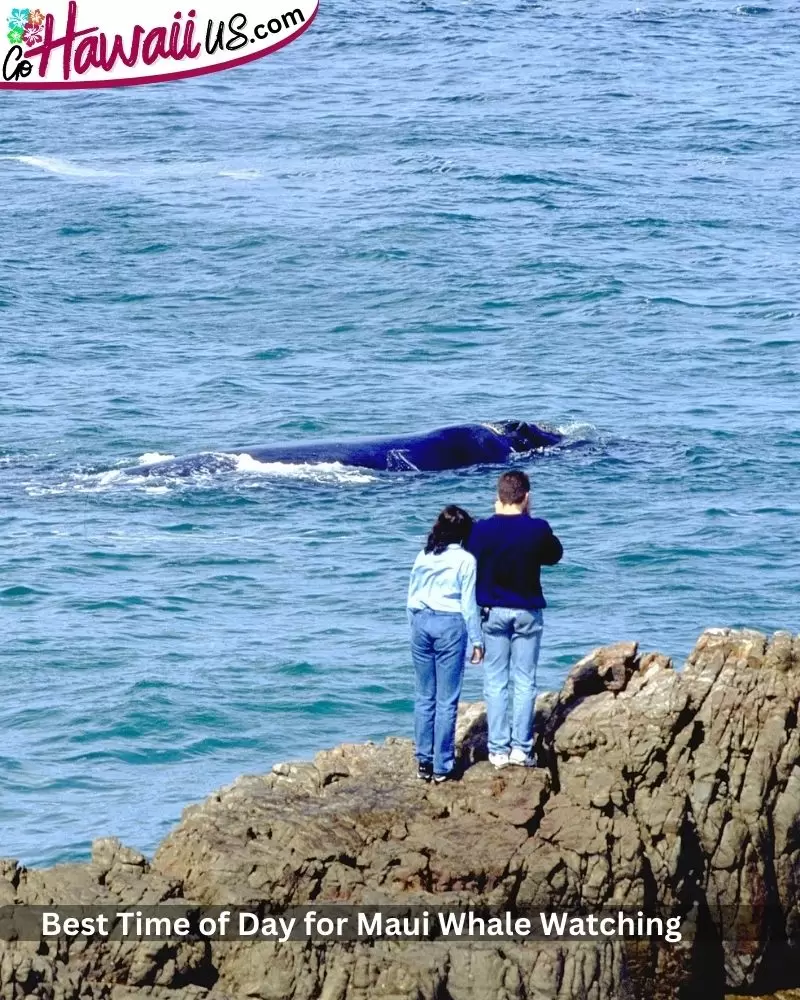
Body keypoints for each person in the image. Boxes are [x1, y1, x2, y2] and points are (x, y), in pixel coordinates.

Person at [468, 470, 563, 769]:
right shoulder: (537, 528)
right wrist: (529, 516)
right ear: (526, 497)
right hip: (527, 611)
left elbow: (470, 560)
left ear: (498, 498)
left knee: (495, 681)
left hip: (492, 612)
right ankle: (522, 748)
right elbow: (554, 555)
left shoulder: (480, 530)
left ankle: (497, 749)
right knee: (524, 680)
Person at [407, 506, 484, 783]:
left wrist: (414, 626)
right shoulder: (465, 560)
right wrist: (477, 640)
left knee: (424, 696)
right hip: (450, 624)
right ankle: (442, 765)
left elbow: (411, 597)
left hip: (421, 622)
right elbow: (468, 605)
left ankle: (423, 762)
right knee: (447, 700)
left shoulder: (424, 554)